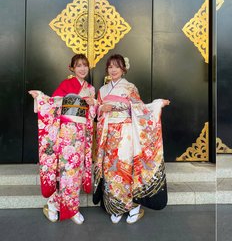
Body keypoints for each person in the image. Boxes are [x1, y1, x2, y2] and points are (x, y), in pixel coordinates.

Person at [93, 54, 170, 224]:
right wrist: (100, 108)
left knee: (124, 168)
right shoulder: (103, 90)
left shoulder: (130, 87)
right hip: (107, 134)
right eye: (110, 67)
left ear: (123, 69)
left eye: (117, 67)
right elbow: (97, 111)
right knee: (110, 170)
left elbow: (139, 108)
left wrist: (157, 104)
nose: (113, 70)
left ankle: (133, 206)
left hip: (125, 134)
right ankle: (115, 207)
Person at [29, 54, 96, 224]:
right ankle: (52, 205)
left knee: (75, 172)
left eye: (85, 65)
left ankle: (72, 209)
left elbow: (92, 113)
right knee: (61, 172)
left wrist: (92, 103)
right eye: (78, 65)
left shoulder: (90, 88)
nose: (82, 68)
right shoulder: (66, 84)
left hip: (80, 135)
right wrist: (40, 97)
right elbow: (52, 103)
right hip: (65, 134)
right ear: (72, 68)